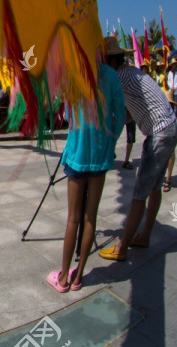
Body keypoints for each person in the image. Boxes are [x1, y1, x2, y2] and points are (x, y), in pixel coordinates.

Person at [47, 55, 124, 292]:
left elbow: (68, 116)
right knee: (91, 216)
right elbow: (120, 116)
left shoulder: (73, 75)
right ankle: (78, 276)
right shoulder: (110, 75)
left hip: (77, 153)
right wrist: (110, 142)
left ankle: (62, 279)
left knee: (73, 218)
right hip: (100, 155)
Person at [99, 37, 177, 261]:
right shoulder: (131, 74)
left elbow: (108, 105)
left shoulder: (120, 77)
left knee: (139, 193)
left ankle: (122, 247)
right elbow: (131, 113)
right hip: (169, 128)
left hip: (159, 133)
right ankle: (143, 236)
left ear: (112, 63)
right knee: (153, 188)